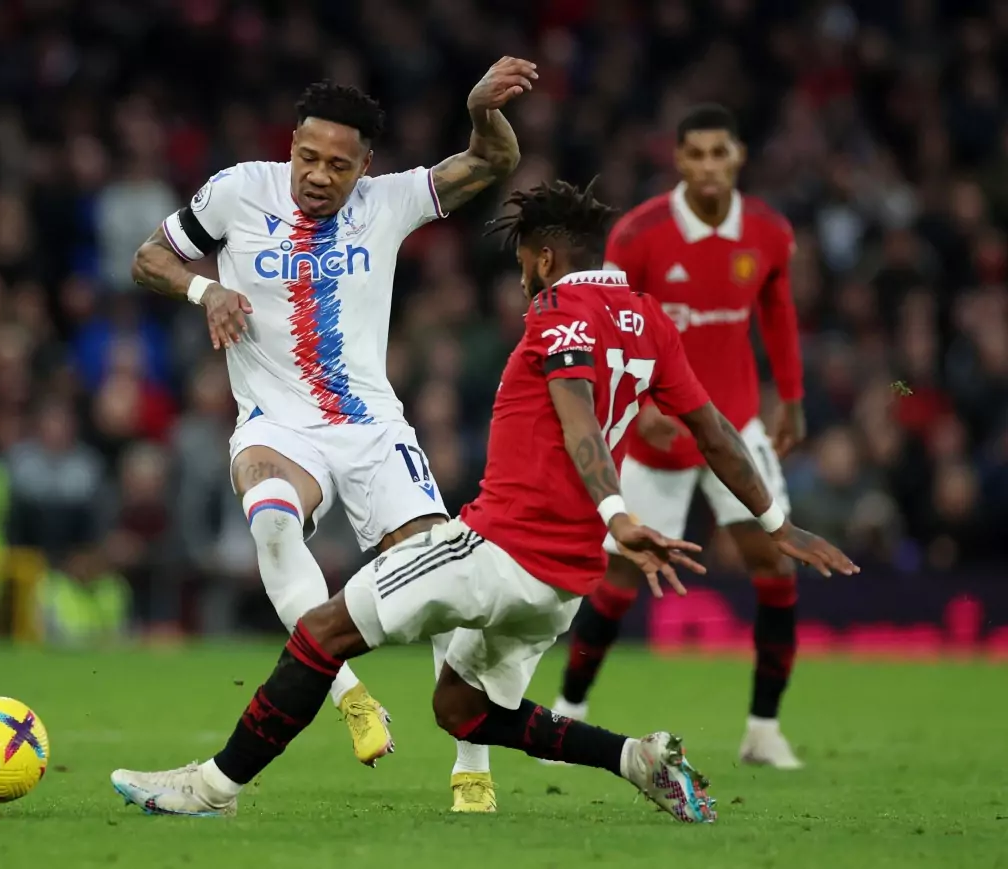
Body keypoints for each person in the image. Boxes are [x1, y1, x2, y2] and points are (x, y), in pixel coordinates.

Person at [109, 180, 858, 822]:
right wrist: (773, 520)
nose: (521, 276)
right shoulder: (651, 320)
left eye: (522, 262)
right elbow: (718, 430)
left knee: (322, 632)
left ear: (542, 256)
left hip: (495, 553)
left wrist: (616, 512)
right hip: (564, 582)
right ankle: (636, 759)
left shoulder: (557, 311)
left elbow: (577, 415)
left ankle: (212, 784)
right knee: (461, 709)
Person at [129, 60, 537, 812]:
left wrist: (480, 108)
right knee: (275, 524)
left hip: (372, 428)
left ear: (365, 167)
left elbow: (493, 161)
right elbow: (149, 256)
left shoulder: (390, 202)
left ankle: (471, 766)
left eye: (338, 165)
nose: (318, 176)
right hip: (277, 424)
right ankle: (350, 696)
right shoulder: (236, 190)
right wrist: (206, 287)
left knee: (443, 582)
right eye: (307, 158)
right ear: (291, 146)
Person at [551, 104, 811, 769]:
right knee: (615, 580)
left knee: (776, 566)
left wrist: (794, 398)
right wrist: (636, 404)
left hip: (736, 427)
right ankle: (567, 715)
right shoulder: (640, 235)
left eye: (719, 153)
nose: (708, 166)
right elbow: (611, 326)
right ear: (679, 159)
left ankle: (763, 729)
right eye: (695, 154)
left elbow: (777, 311)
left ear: (738, 156)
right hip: (658, 438)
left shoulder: (769, 233)